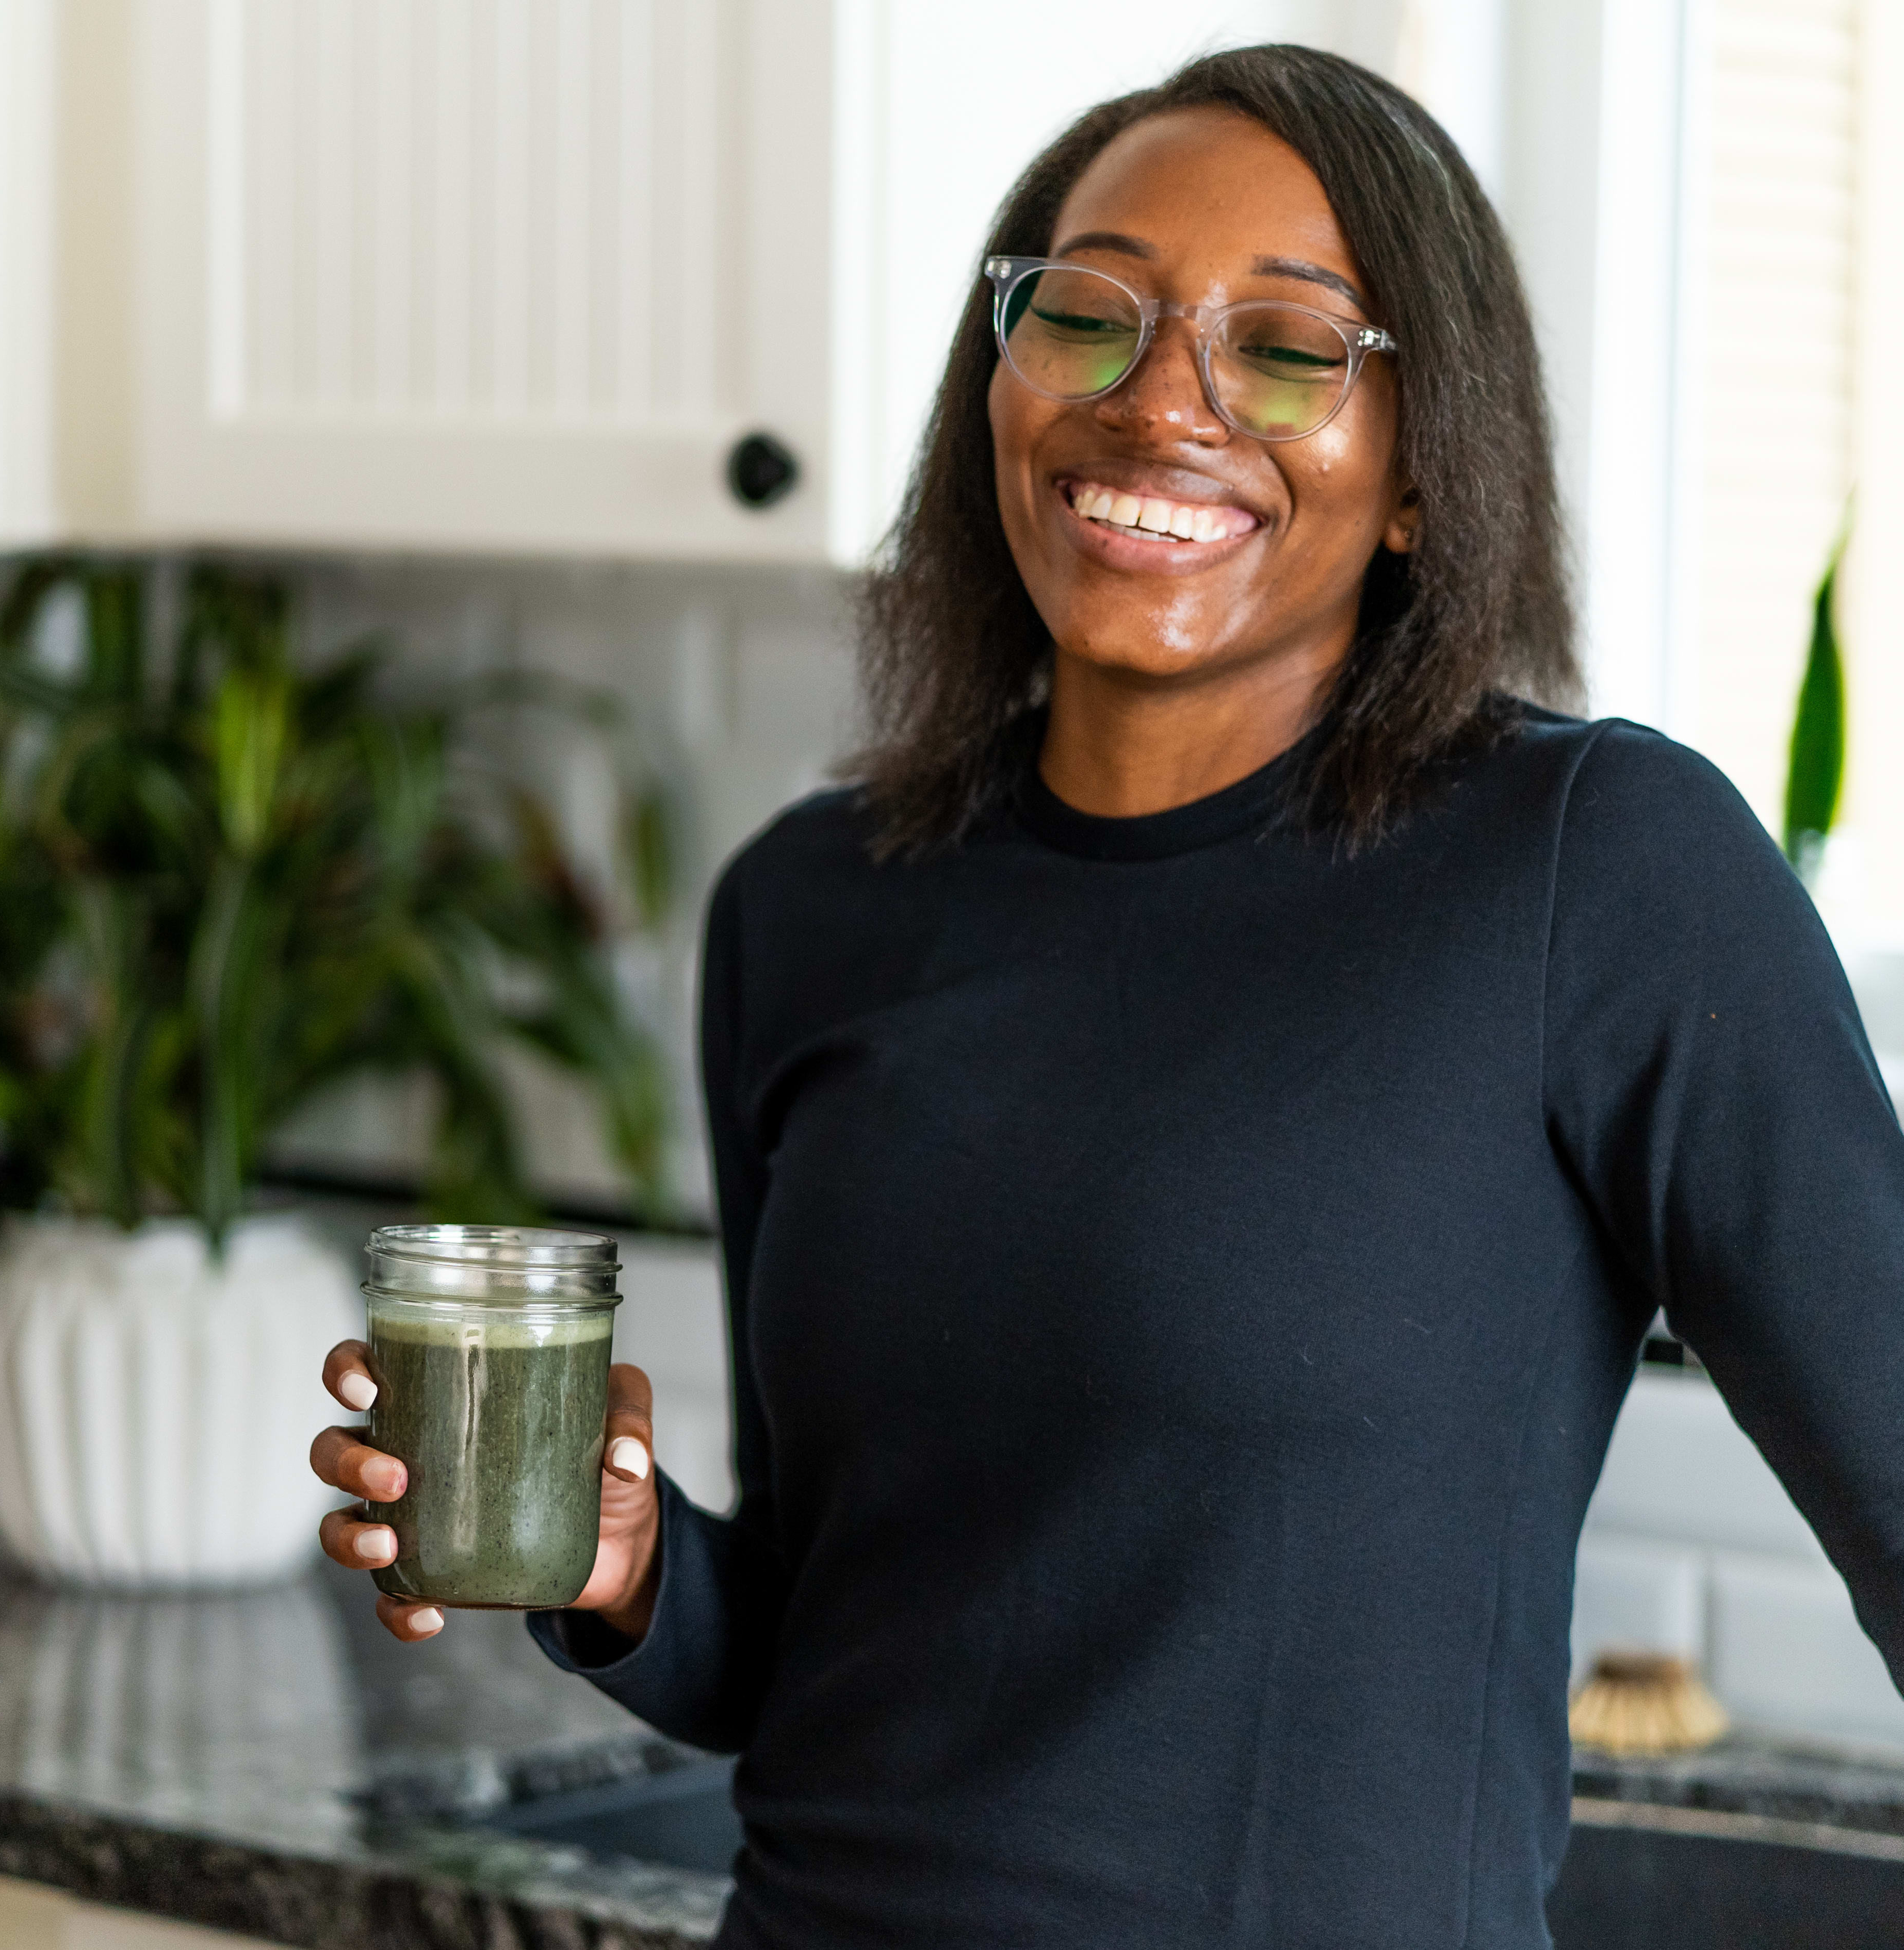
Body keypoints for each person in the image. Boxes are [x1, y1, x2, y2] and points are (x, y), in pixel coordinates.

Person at [310, 43, 1904, 1950]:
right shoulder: (812, 910)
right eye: (1088, 313)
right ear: (1001, 381)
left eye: (1289, 348)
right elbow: (846, 1644)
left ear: (1420, 477)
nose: (1161, 404)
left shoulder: (1596, 869)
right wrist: (620, 1568)